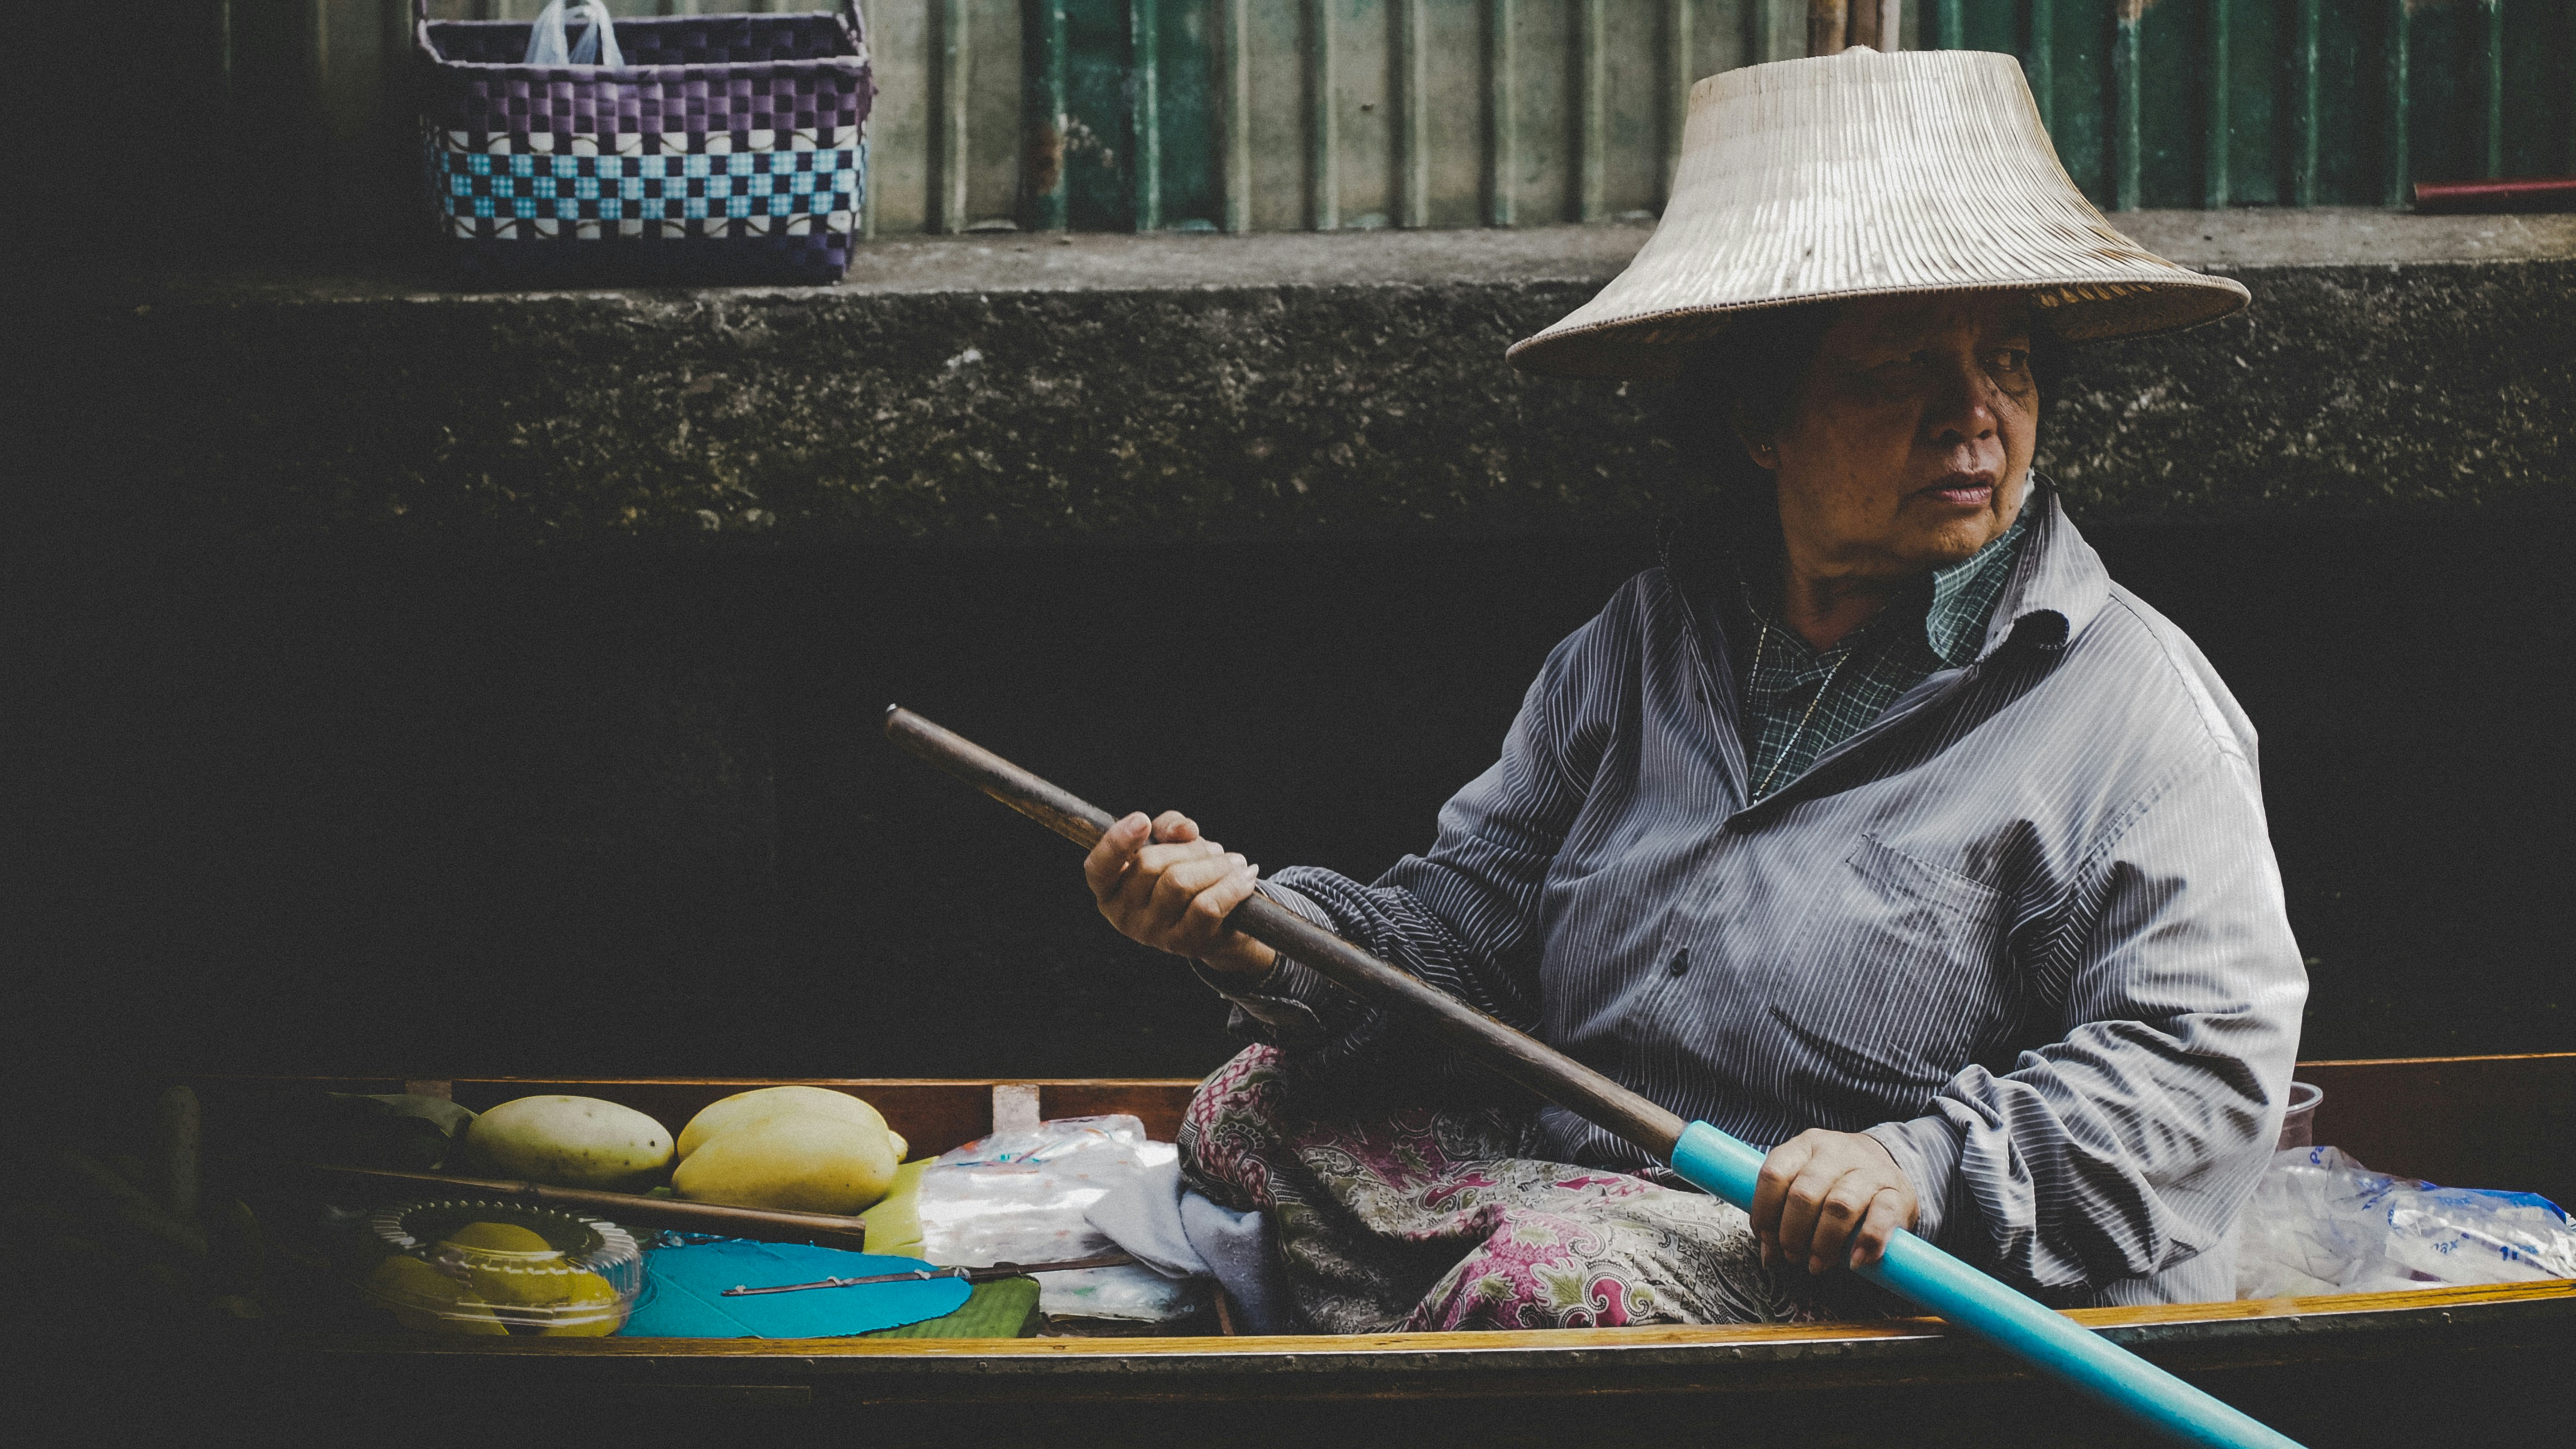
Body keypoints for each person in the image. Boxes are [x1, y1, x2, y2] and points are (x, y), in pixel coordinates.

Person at [1084, 46, 2305, 1333]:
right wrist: (1254, 931)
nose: (1975, 418)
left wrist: (1912, 1163)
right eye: (1899, 369)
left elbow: (2196, 1072)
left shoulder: (2135, 708)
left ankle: (1460, 1329)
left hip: (1906, 1270)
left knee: (1552, 1286)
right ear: (1759, 421)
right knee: (1252, 1105)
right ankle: (1468, 1324)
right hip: (1599, 1182)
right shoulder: (1648, 641)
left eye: (2007, 361)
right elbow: (1462, 937)